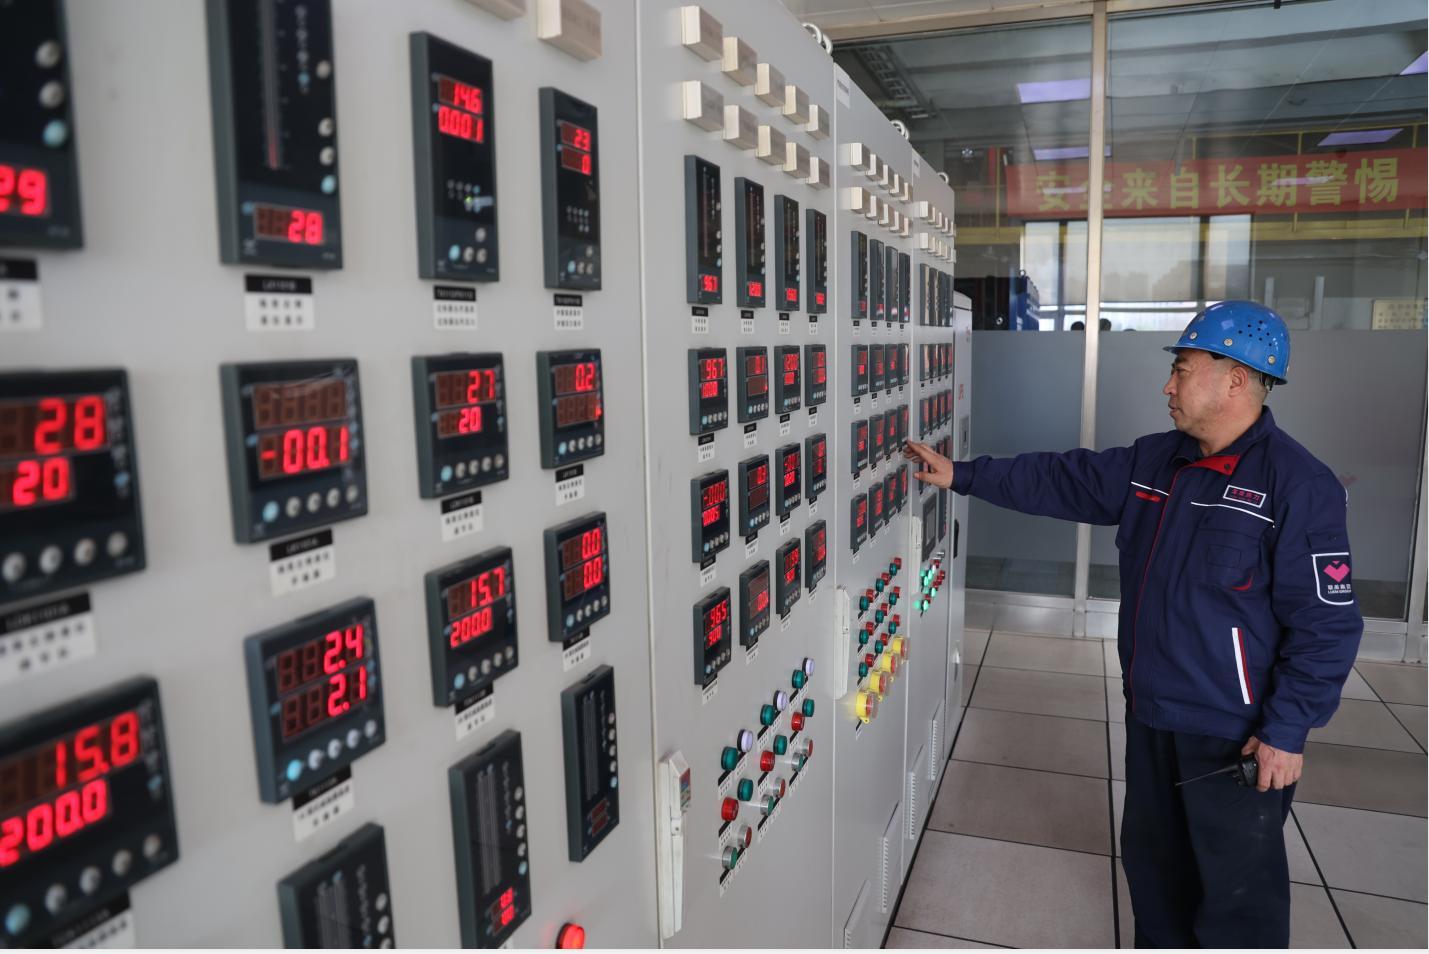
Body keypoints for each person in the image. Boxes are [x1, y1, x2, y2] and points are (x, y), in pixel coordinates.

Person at [904, 300, 1361, 948]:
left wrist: (1286, 731)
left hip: (1234, 733)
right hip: (1152, 712)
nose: (1167, 386)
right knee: (1153, 870)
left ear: (1235, 379)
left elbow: (1326, 626)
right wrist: (964, 476)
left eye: (1182, 370)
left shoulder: (1297, 486)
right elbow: (1064, 479)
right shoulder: (1157, 463)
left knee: (1235, 894)